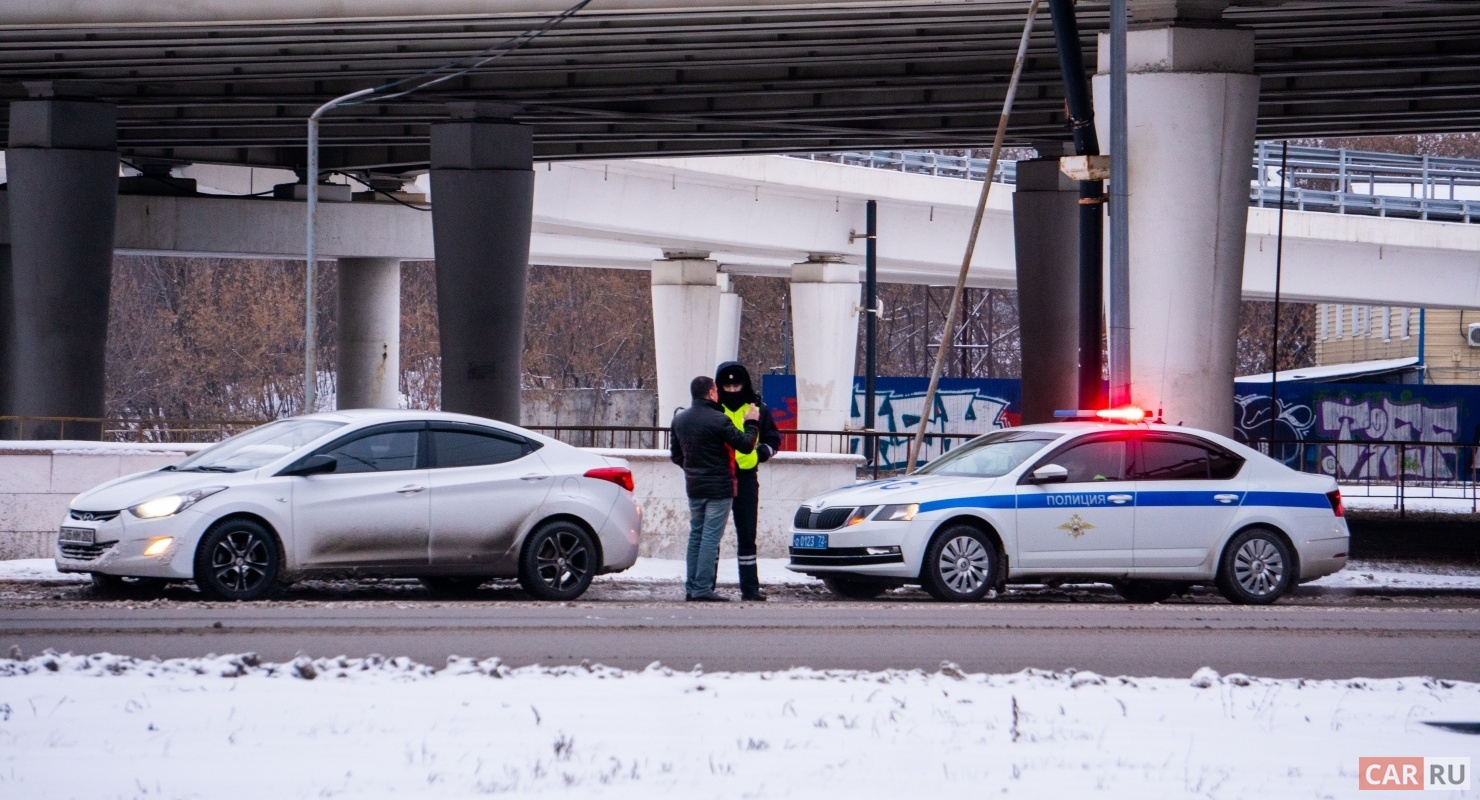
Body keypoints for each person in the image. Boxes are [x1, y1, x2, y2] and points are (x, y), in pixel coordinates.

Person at [670, 375, 760, 601]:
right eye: (716, 391)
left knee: (696, 535)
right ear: (711, 393)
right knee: (710, 537)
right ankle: (702, 588)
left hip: (694, 487)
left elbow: (676, 455)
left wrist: (693, 469)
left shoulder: (680, 420)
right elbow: (747, 445)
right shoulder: (719, 420)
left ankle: (691, 587)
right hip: (720, 487)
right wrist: (752, 422)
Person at [715, 360, 782, 601]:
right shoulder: (714, 408)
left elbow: (774, 439)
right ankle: (707, 586)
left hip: (746, 478)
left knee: (747, 534)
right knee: (713, 535)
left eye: (737, 386)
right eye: (727, 387)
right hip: (719, 476)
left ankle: (750, 588)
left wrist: (762, 452)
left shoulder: (758, 409)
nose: (732, 390)